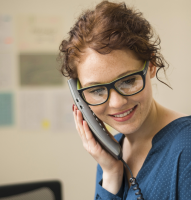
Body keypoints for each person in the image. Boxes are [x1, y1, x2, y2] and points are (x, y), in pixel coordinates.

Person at [59, 1, 191, 199]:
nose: (116, 103)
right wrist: (111, 172)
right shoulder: (110, 154)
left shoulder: (186, 148)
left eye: (128, 81)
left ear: (152, 65)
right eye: (96, 90)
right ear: (80, 97)